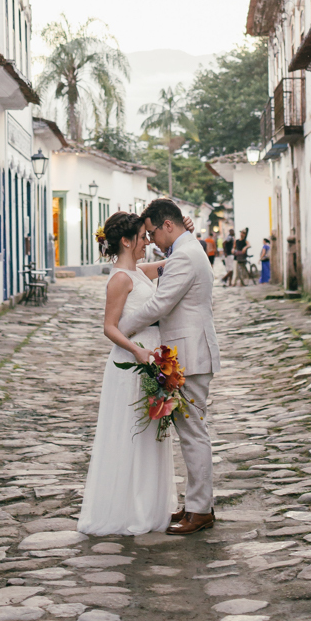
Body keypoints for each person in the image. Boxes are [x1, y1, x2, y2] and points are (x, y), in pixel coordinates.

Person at [119, 198, 220, 535]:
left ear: (167, 225)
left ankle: (200, 510)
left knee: (193, 435)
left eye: (153, 233)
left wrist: (121, 328)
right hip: (190, 351)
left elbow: (161, 304)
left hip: (191, 354)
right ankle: (197, 504)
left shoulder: (185, 256)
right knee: (191, 432)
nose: (152, 241)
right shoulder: (187, 250)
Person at [78, 212, 176, 536]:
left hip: (152, 360)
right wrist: (137, 351)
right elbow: (109, 327)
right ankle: (127, 510)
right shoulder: (120, 279)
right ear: (125, 240)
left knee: (150, 433)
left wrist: (184, 234)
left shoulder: (139, 272)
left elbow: (172, 264)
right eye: (143, 237)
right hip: (132, 363)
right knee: (132, 433)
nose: (148, 242)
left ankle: (147, 506)